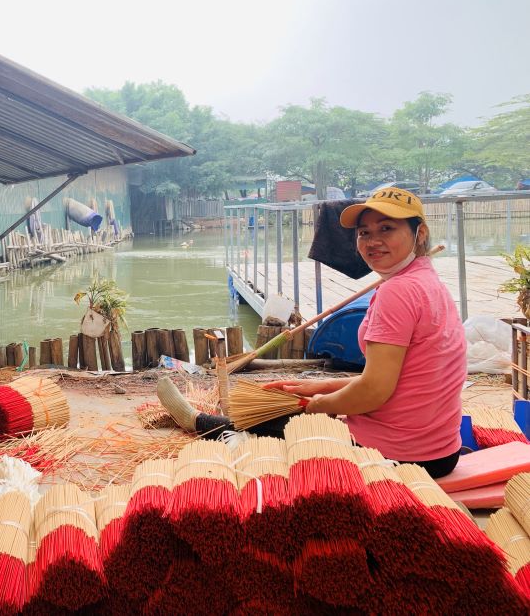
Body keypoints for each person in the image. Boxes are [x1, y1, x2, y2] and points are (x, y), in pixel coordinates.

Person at [157, 187, 465, 478]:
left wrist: (320, 405)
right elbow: (399, 378)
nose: (372, 241)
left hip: (398, 454)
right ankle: (210, 421)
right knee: (299, 406)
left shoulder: (396, 292)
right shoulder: (428, 282)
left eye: (387, 229)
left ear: (419, 232)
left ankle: (200, 422)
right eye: (364, 233)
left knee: (278, 422)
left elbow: (374, 391)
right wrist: (312, 388)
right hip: (440, 451)